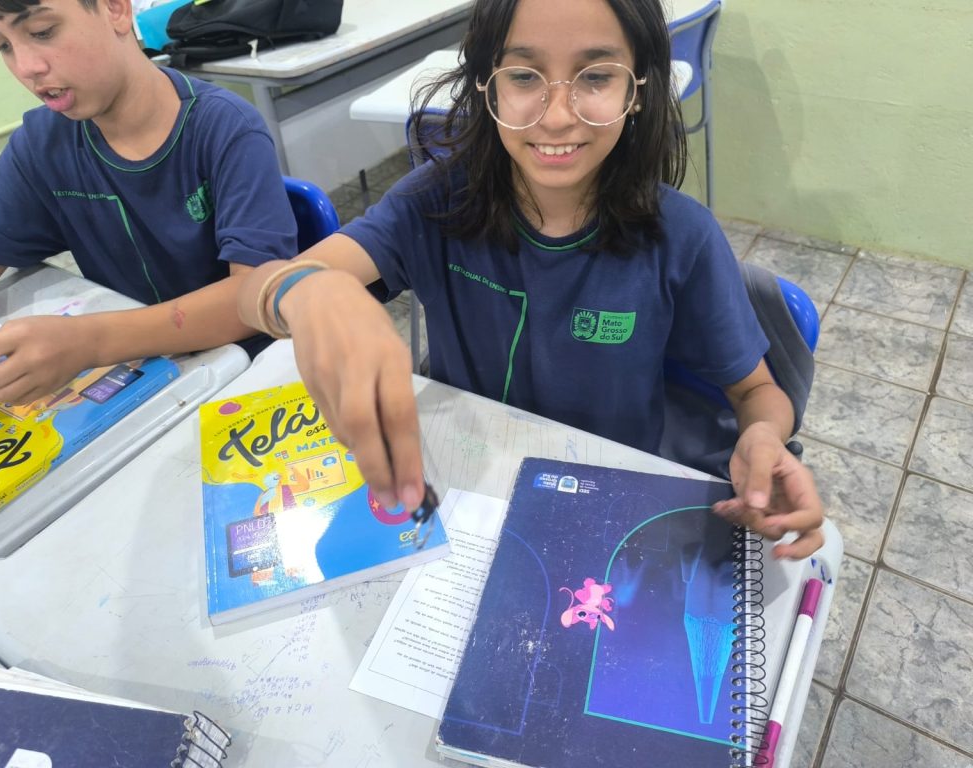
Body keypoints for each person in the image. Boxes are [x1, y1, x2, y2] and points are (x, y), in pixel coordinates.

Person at [238, 0, 825, 559]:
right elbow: (261, 289)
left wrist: (762, 437)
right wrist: (304, 291)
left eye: (596, 76)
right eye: (524, 76)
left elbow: (756, 392)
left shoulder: (682, 238)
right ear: (485, 84)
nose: (558, 114)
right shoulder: (435, 202)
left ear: (638, 90)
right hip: (464, 492)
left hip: (605, 505)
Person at [0, 0, 296, 405]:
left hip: (246, 376)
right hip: (145, 378)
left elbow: (255, 295)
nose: (26, 67)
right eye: (2, 45)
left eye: (42, 32)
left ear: (115, 8)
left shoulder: (224, 129)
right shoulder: (43, 145)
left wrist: (89, 342)